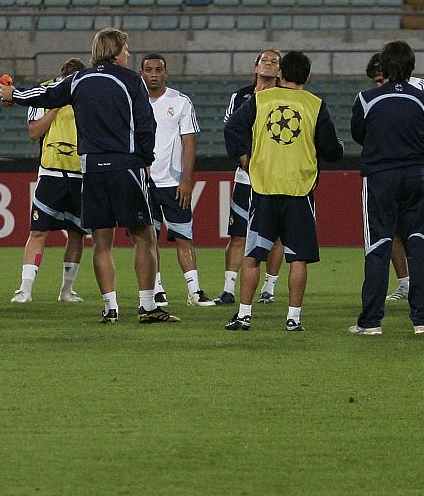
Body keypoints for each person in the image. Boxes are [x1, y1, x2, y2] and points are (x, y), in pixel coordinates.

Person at [4, 28, 178, 324]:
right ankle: (148, 306)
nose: (129, 53)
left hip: (91, 169)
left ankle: (110, 307)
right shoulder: (131, 80)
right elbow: (146, 124)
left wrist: (13, 95)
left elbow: (45, 95)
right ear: (114, 49)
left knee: (101, 241)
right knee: (145, 237)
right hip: (126, 167)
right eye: (126, 48)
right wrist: (145, 158)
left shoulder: (78, 79)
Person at [222, 51, 343, 331]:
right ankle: (293, 318)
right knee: (298, 257)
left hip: (264, 187)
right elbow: (331, 150)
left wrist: (246, 160)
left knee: (253, 255)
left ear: (281, 74)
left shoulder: (261, 100)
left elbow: (232, 129)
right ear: (309, 76)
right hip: (299, 191)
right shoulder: (315, 105)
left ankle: (243, 315)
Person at [348, 40, 424, 335]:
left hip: (381, 176)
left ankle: (371, 322)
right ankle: (422, 321)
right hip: (416, 175)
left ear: (383, 66)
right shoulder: (423, 99)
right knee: (418, 243)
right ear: (411, 66)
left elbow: (360, 134)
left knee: (378, 245)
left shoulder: (366, 98)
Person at [12, 57, 88, 304]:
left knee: (77, 233)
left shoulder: (89, 95)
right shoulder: (44, 92)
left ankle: (66, 290)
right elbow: (34, 132)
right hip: (52, 172)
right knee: (38, 231)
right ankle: (25, 289)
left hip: (82, 174)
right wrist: (56, 105)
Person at [141, 53, 215, 307]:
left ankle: (195, 291)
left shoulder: (181, 102)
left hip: (173, 183)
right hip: (144, 183)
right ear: (142, 74)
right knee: (148, 239)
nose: (153, 74)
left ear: (166, 73)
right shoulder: (134, 102)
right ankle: (157, 290)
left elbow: (189, 141)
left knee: (184, 237)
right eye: (148, 69)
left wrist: (186, 180)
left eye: (158, 69)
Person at [219, 50, 285, 305]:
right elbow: (231, 130)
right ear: (256, 68)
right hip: (247, 177)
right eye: (264, 60)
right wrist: (244, 160)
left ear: (280, 71)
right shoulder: (240, 97)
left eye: (274, 62)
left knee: (276, 236)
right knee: (238, 235)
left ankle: (269, 287)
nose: (268, 64)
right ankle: (228, 289)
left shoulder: (285, 98)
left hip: (275, 178)